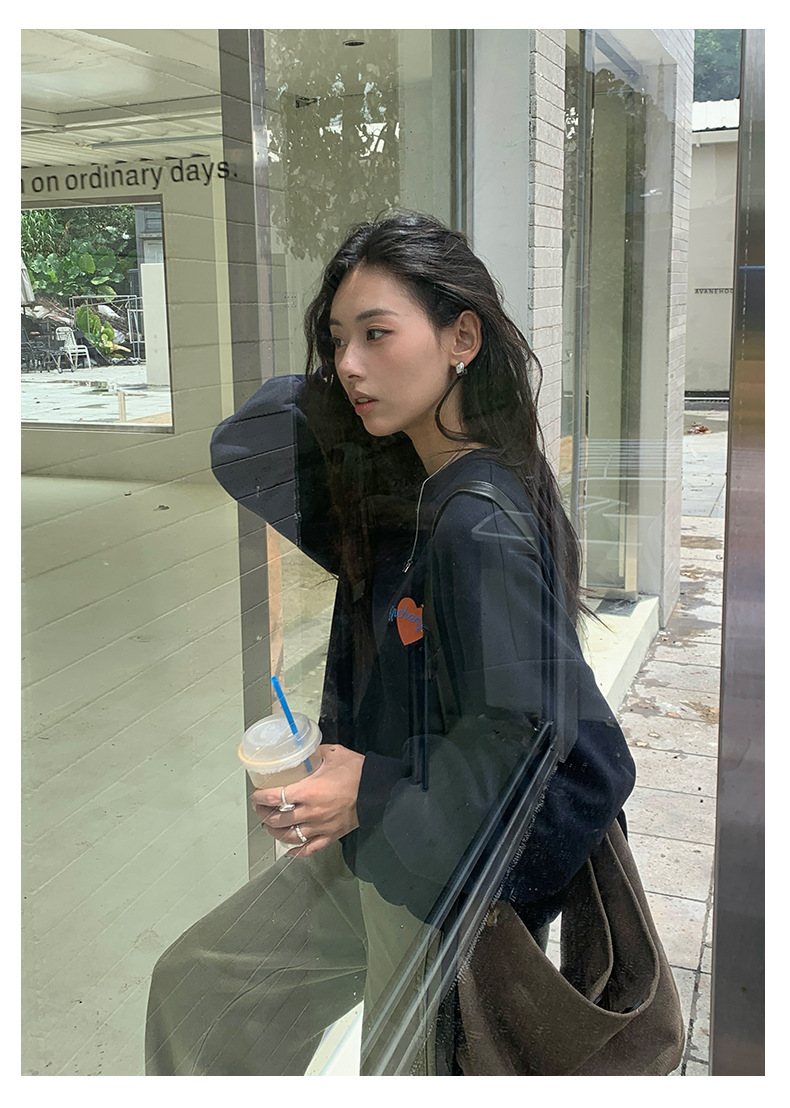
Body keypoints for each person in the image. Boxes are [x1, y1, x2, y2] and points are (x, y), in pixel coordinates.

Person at [144, 211, 636, 1077]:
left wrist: (365, 788)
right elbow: (248, 440)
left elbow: (526, 744)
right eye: (337, 340)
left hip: (443, 878)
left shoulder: (475, 524)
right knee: (202, 988)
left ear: (462, 339)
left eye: (377, 333)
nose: (347, 365)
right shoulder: (410, 491)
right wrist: (337, 779)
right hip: (387, 847)